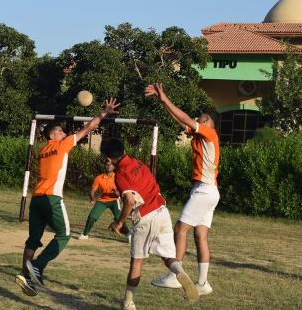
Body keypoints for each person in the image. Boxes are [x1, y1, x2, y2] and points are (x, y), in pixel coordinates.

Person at [15, 98, 120, 297]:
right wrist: (104, 113)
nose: (65, 133)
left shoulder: (43, 150)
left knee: (33, 240)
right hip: (52, 198)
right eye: (62, 131)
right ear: (54, 134)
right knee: (64, 234)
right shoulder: (61, 144)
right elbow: (89, 127)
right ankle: (37, 265)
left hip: (36, 199)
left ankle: (25, 275)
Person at [102, 137, 199, 310]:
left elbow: (130, 201)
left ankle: (128, 303)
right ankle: (180, 272)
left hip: (145, 216)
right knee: (168, 256)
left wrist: (119, 222)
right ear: (123, 150)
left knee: (137, 262)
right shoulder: (138, 163)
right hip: (162, 211)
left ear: (108, 158)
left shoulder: (121, 174)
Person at [145, 83, 220, 296]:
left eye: (202, 118)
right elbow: (181, 120)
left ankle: (175, 276)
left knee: (180, 230)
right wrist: (162, 101)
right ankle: (203, 283)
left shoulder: (209, 135)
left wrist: (165, 96)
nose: (198, 119)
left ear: (209, 123)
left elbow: (186, 119)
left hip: (204, 191)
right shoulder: (200, 136)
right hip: (210, 191)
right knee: (200, 236)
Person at [78, 160, 129, 241]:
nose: (109, 166)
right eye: (107, 164)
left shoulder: (117, 177)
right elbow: (92, 191)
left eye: (111, 165)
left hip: (114, 200)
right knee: (92, 216)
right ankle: (85, 234)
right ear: (105, 166)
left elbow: (122, 191)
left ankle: (129, 235)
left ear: (114, 167)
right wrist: (92, 197)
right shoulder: (99, 178)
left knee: (119, 218)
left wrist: (118, 193)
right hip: (102, 201)